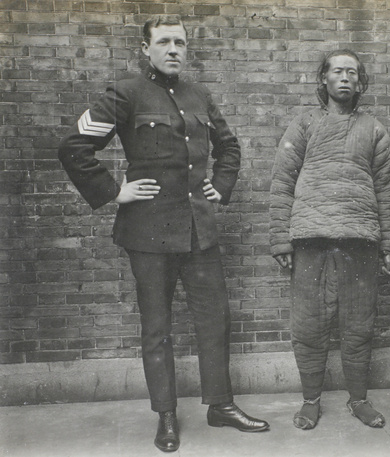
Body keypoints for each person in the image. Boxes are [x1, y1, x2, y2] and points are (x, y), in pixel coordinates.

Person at [58, 15, 269, 453]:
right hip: (148, 233)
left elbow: (229, 146)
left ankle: (220, 405)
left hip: (199, 232)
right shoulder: (126, 92)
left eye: (181, 43)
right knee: (158, 327)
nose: (174, 50)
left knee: (216, 321)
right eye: (165, 42)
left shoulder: (199, 96)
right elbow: (74, 147)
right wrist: (115, 191)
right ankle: (167, 416)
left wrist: (221, 186)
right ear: (146, 49)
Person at [269, 49, 390, 430]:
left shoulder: (374, 129)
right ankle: (311, 401)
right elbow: (282, 182)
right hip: (311, 242)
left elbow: (387, 190)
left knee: (359, 325)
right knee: (309, 326)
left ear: (361, 82)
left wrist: (389, 245)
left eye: (352, 73)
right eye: (337, 71)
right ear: (323, 79)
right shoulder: (304, 125)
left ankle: (358, 400)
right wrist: (280, 240)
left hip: (360, 242)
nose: (344, 77)